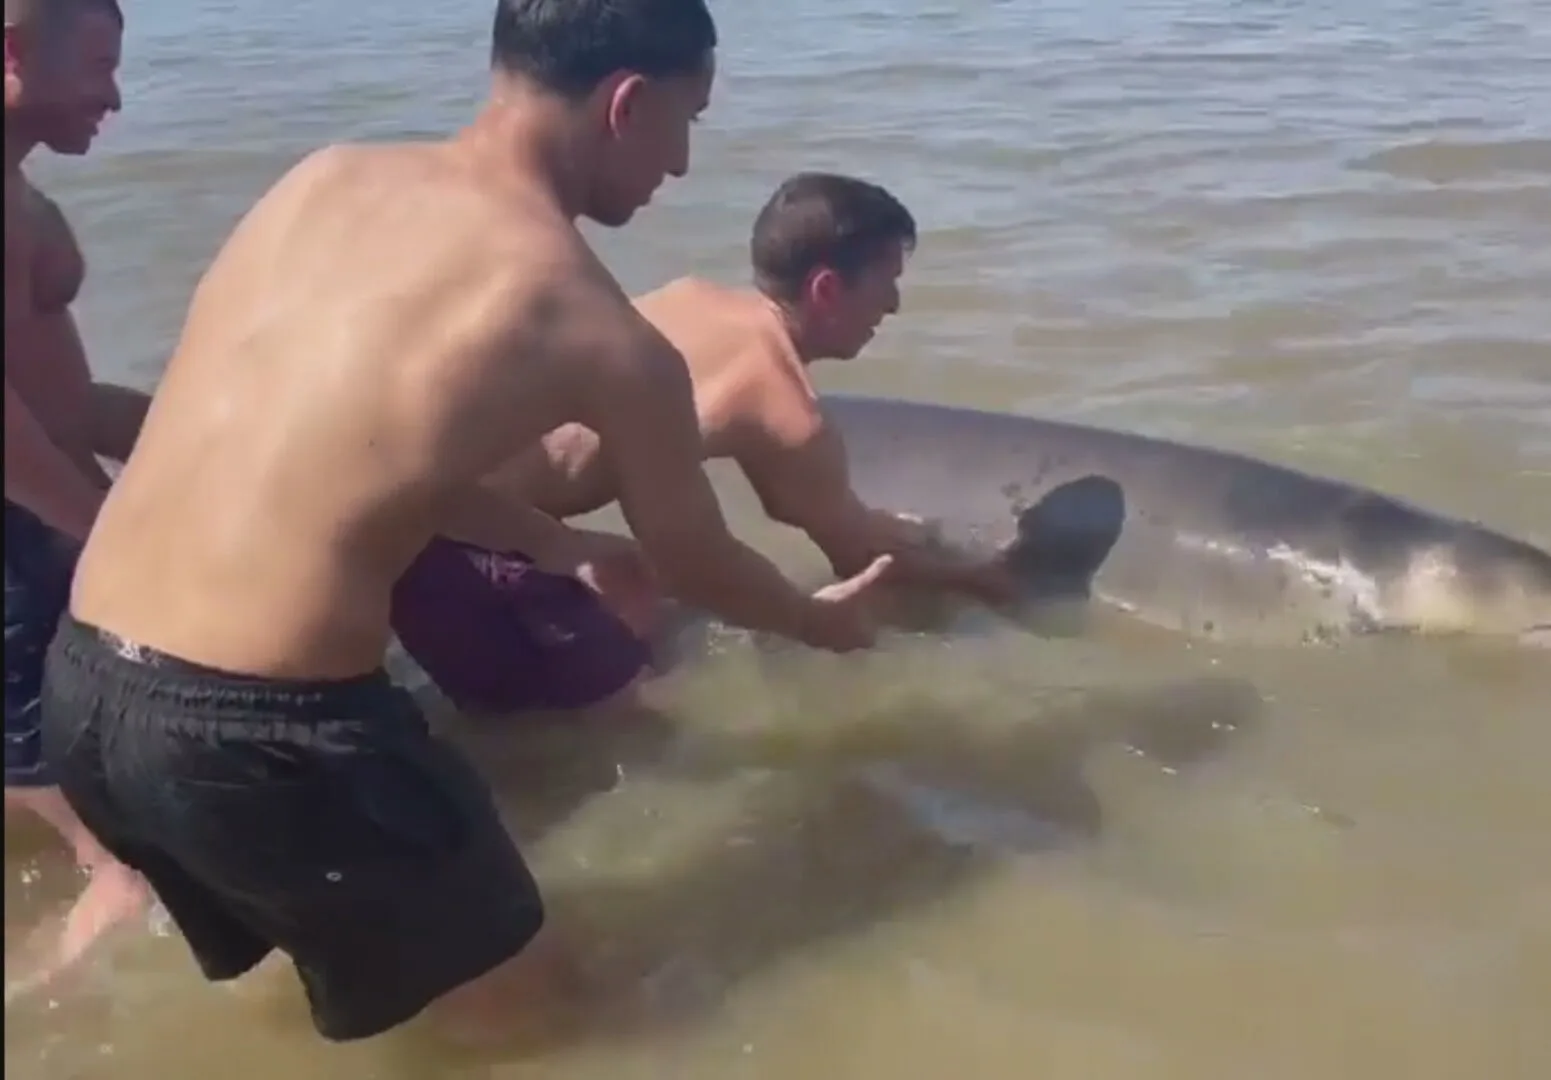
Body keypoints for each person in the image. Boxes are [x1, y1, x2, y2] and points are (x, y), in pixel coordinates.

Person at [38, 0, 895, 1048]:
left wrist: (555, 540)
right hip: (266, 736)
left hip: (85, 686)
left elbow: (328, 446)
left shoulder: (324, 181)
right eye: (690, 121)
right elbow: (696, 557)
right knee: (557, 1025)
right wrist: (821, 621)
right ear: (626, 104)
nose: (680, 163)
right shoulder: (589, 322)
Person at [391, 172, 1016, 718]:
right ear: (827, 288)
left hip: (408, 503)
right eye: (888, 283)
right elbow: (859, 558)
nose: (896, 305)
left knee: (660, 628)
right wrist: (982, 578)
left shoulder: (690, 297)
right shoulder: (785, 407)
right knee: (634, 728)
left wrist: (876, 525)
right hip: (460, 541)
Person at [3, 0, 154, 994]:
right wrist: (99, 531)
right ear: (12, 51)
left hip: (37, 529)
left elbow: (59, 396)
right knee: (128, 876)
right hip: (21, 550)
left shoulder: (16, 194)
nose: (113, 94)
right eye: (97, 64)